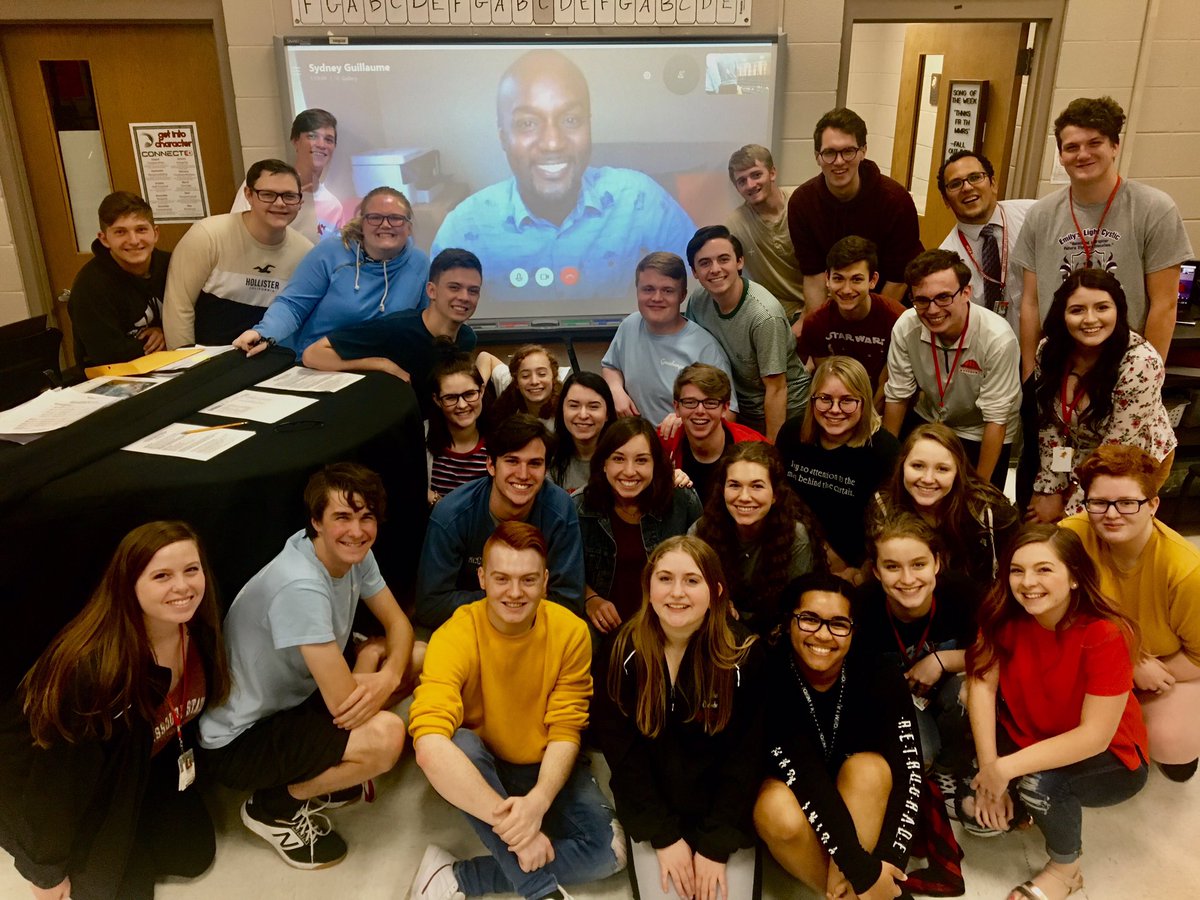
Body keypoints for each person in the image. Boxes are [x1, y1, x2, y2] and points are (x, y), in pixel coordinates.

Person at [198, 463, 414, 869]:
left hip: (295, 699)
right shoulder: (300, 584)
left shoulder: (353, 554)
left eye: (366, 517)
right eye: (342, 517)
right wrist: (371, 660)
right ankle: (273, 805)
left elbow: (399, 624)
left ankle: (322, 770)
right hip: (240, 739)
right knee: (385, 738)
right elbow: (344, 705)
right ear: (316, 521)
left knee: (415, 657)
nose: (357, 530)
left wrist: (388, 674)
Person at [0, 521, 230, 900]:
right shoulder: (96, 673)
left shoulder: (197, 629)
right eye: (162, 576)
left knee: (192, 855)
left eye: (191, 569)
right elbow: (57, 782)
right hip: (79, 790)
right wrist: (46, 872)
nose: (183, 587)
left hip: (141, 770)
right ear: (129, 584)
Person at [408, 521, 626, 900]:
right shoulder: (454, 635)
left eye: (528, 580)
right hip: (484, 763)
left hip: (545, 761)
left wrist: (539, 800)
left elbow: (566, 728)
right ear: (482, 579)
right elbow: (429, 744)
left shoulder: (571, 632)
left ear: (545, 581)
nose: (514, 592)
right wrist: (517, 831)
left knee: (610, 852)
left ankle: (458, 877)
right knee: (457, 743)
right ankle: (540, 891)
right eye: (502, 578)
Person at [964, 525, 1148, 900]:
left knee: (1039, 783)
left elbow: (1094, 737)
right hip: (1031, 735)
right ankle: (1018, 804)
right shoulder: (1002, 617)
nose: (1028, 582)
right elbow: (981, 686)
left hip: (1110, 757)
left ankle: (1066, 870)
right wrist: (990, 770)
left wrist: (1004, 770)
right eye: (1017, 570)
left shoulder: (1104, 633)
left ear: (1075, 577)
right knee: (973, 802)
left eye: (1044, 569)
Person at [430, 49, 695, 303]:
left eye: (570, 120)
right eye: (527, 123)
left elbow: (699, 284)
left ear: (589, 126)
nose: (553, 143)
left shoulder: (639, 198)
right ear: (503, 138)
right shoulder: (463, 228)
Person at [594, 535, 765, 900]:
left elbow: (746, 760)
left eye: (692, 580)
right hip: (655, 814)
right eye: (665, 579)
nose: (676, 593)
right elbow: (624, 757)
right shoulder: (621, 651)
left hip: (722, 817)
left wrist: (716, 844)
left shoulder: (743, 654)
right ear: (648, 587)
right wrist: (664, 837)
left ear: (716, 591)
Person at [754, 572, 922, 900]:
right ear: (788, 624)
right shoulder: (769, 674)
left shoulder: (881, 674)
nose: (823, 634)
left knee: (870, 769)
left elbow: (910, 773)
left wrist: (891, 862)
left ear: (853, 631)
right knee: (774, 808)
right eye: (809, 619)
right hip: (797, 801)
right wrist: (864, 874)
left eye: (838, 624)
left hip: (860, 805)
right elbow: (806, 778)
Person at [1015, 96, 1192, 377]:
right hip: (1058, 365)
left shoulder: (1154, 209)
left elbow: (1164, 305)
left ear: (1114, 147)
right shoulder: (1040, 215)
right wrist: (1029, 373)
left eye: (1094, 143)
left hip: (1123, 365)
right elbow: (1031, 303)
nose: (1082, 154)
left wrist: (1147, 376)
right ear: (1060, 156)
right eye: (1072, 147)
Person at [1059, 445, 1200, 782]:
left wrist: (1150, 672)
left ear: (1153, 505)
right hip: (1095, 651)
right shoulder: (1070, 535)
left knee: (1173, 746)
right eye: (1099, 502)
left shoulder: (1185, 570)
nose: (1111, 514)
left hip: (1163, 660)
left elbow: (1198, 656)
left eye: (1127, 503)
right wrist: (1127, 665)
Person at [1028, 268, 1176, 522]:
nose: (1090, 319)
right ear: (1062, 314)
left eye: (1102, 308)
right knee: (1041, 522)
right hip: (1078, 447)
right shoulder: (1048, 350)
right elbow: (1050, 425)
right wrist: (1051, 488)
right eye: (1077, 310)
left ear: (1118, 310)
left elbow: (1115, 449)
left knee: (1089, 529)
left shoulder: (1141, 363)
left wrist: (1072, 513)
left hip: (1130, 456)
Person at [415, 414, 585, 629]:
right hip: (470, 627)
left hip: (536, 628)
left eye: (534, 463)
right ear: (491, 465)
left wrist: (513, 605)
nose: (523, 474)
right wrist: (508, 599)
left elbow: (569, 601)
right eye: (512, 461)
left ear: (545, 470)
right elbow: (431, 606)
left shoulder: (560, 509)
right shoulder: (451, 514)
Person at [231, 186, 429, 357]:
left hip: (380, 365)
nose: (385, 225)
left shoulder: (420, 264)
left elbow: (427, 322)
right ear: (362, 223)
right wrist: (263, 333)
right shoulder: (330, 253)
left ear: (409, 227)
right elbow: (293, 305)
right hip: (314, 362)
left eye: (396, 218)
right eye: (375, 217)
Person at [883, 249, 1021, 488]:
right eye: (922, 300)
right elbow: (897, 396)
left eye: (943, 297)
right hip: (930, 419)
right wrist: (886, 469)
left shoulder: (997, 338)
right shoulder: (906, 326)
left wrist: (981, 489)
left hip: (981, 429)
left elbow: (996, 419)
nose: (933, 310)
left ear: (966, 292)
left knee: (975, 501)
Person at [855, 513, 978, 771]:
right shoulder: (862, 606)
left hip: (951, 690)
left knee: (971, 695)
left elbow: (998, 652)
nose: (908, 579)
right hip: (898, 700)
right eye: (892, 567)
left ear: (936, 563)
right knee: (920, 757)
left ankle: (957, 766)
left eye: (919, 565)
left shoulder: (961, 594)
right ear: (876, 571)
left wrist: (943, 660)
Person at [303, 248, 485, 416]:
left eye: (473, 291)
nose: (464, 297)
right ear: (431, 291)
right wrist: (381, 364)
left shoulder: (466, 339)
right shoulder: (396, 328)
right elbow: (313, 354)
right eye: (454, 287)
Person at [788, 107, 923, 316]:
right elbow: (814, 277)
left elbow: (898, 280)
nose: (839, 161)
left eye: (848, 151)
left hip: (890, 308)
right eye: (829, 153)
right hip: (838, 303)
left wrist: (866, 328)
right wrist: (818, 326)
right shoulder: (802, 203)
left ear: (863, 152)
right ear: (817, 157)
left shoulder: (896, 201)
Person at [163, 159, 312, 348]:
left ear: (300, 202)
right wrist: (185, 362)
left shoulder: (305, 253)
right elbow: (179, 308)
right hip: (206, 359)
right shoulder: (207, 236)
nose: (280, 203)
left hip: (269, 358)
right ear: (248, 195)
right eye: (268, 195)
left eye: (289, 196)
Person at [575, 417, 702, 636]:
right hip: (604, 628)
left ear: (655, 464)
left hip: (668, 624)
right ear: (604, 463)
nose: (629, 471)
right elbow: (563, 569)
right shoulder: (579, 507)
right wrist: (589, 598)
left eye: (641, 460)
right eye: (618, 459)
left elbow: (705, 567)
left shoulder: (682, 502)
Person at [776, 356, 899, 581]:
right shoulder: (792, 435)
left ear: (864, 402)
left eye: (847, 400)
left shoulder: (884, 451)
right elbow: (779, 497)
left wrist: (864, 570)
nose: (834, 410)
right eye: (825, 399)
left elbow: (889, 525)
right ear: (812, 400)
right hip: (791, 548)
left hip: (855, 567)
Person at [684, 225, 810, 440]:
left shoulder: (764, 315)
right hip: (738, 408)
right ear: (695, 272)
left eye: (724, 259)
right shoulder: (698, 301)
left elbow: (776, 389)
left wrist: (772, 449)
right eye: (704, 263)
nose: (715, 269)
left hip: (784, 412)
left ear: (740, 262)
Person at [691, 442, 820, 635]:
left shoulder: (795, 536)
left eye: (757, 486)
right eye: (734, 485)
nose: (744, 497)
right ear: (722, 490)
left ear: (775, 494)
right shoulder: (701, 532)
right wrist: (717, 604)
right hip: (716, 630)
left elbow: (796, 607)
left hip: (775, 634)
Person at [871, 423, 1019, 586]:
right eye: (917, 466)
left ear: (958, 472)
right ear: (902, 465)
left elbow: (1016, 574)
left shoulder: (990, 512)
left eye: (942, 469)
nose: (928, 479)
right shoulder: (885, 506)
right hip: (911, 596)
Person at [602, 251, 736, 426]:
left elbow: (730, 413)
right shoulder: (630, 325)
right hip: (636, 438)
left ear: (682, 295)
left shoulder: (705, 348)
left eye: (667, 290)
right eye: (648, 289)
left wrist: (688, 421)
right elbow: (611, 366)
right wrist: (615, 390)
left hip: (683, 440)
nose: (656, 298)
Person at [795, 236, 906, 403]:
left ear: (873, 280)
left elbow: (890, 385)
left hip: (885, 401)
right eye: (838, 278)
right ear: (827, 279)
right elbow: (826, 377)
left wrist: (870, 414)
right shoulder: (815, 322)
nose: (847, 290)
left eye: (856, 279)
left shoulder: (897, 319)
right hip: (838, 403)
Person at [67, 191, 170, 368]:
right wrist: (158, 343)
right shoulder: (90, 286)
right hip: (112, 376)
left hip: (171, 366)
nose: (134, 240)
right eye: (120, 232)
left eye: (141, 229)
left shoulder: (173, 264)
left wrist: (165, 332)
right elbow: (107, 355)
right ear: (104, 239)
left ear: (155, 233)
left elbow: (200, 319)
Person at [935, 150, 1035, 328]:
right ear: (945, 200)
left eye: (975, 177)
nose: (967, 188)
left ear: (993, 183)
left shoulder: (1033, 216)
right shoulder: (946, 259)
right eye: (956, 184)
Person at [230, 108, 344, 244]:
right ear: (295, 141)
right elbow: (235, 236)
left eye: (329, 140)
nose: (321, 145)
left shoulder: (333, 206)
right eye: (312, 136)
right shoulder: (261, 185)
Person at [724, 143, 806, 330]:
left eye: (756, 175)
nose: (750, 185)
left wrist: (809, 315)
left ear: (772, 173)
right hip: (778, 316)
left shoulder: (802, 203)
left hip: (820, 306)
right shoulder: (734, 225)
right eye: (742, 181)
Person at [659, 363, 767, 503]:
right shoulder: (664, 441)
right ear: (677, 407)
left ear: (725, 408)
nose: (700, 411)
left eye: (710, 402)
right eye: (690, 402)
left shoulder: (757, 448)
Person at [427, 355, 490, 506]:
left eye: (469, 394)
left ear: (481, 391)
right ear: (437, 400)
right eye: (450, 398)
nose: (462, 405)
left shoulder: (500, 442)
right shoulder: (421, 437)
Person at [549, 370, 615, 494]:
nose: (583, 415)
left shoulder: (622, 458)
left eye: (593, 406)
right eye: (574, 406)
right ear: (562, 410)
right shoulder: (548, 458)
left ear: (608, 413)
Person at [491, 344, 563, 428]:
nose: (534, 381)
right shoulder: (508, 390)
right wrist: (480, 388)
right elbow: (486, 358)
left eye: (542, 374)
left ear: (553, 377)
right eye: (525, 376)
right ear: (516, 382)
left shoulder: (564, 411)